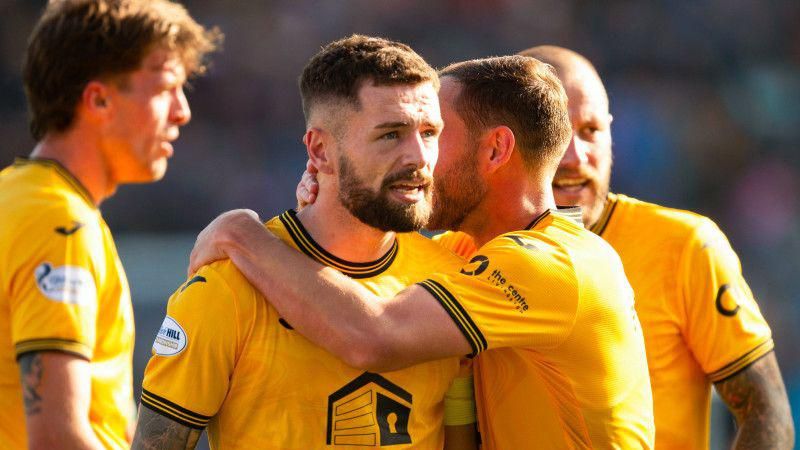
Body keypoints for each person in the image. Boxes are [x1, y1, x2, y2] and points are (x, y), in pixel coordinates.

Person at [189, 55, 655, 448]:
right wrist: (334, 191)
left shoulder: (547, 263)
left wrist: (241, 234)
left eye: (434, 132)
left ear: (495, 150)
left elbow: (372, 335)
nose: (418, 158)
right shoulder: (466, 251)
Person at [133, 35, 478, 450]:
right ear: (320, 150)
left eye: (429, 132)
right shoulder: (225, 289)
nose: (419, 157)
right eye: (391, 135)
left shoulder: (452, 283)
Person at [519, 46, 794, 449]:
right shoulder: (464, 253)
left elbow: (765, 409)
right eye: (555, 133)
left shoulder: (684, 246)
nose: (576, 156)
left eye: (591, 131)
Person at [0, 1, 219, 448]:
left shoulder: (19, 197)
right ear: (98, 99)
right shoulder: (58, 222)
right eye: (164, 89)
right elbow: (57, 436)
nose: (182, 112)